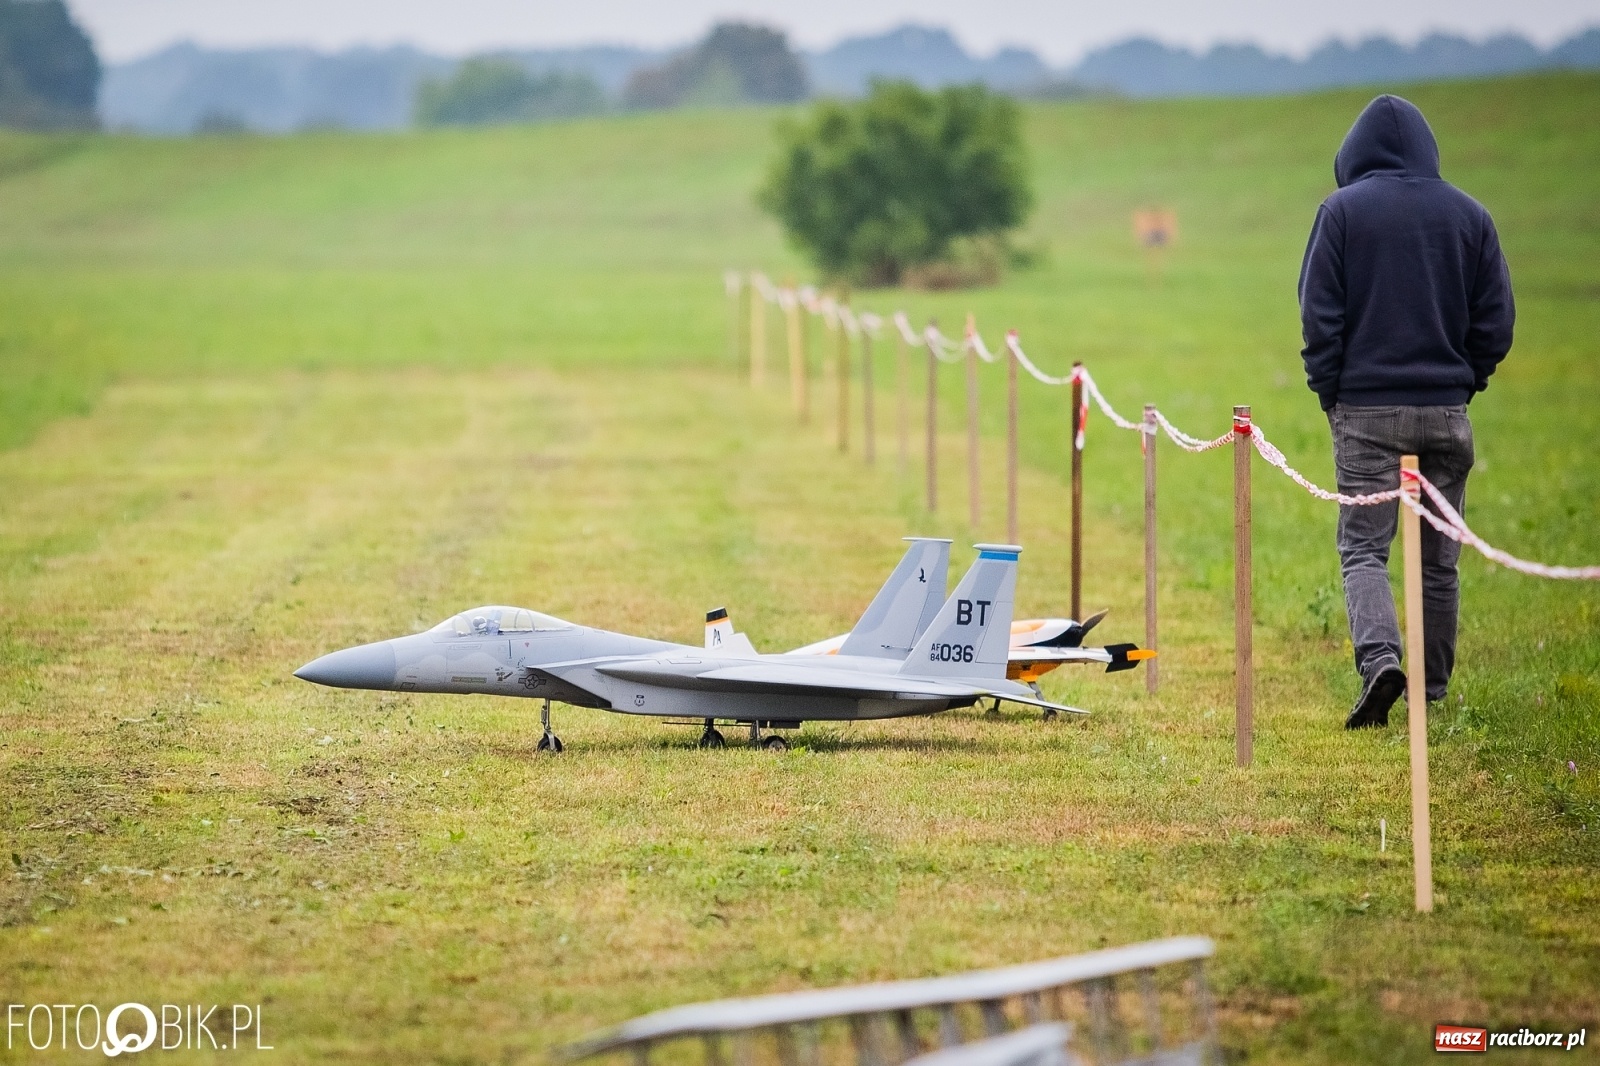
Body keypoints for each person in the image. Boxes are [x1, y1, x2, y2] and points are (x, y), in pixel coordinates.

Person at [1298, 94, 1514, 730]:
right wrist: (1464, 381)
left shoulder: (1339, 213)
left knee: (1365, 550)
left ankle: (1381, 662)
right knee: (1438, 558)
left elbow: (1319, 316)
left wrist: (1330, 393)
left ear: (1355, 154)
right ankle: (1432, 688)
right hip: (1448, 412)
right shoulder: (1471, 216)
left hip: (1365, 413)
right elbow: (1496, 321)